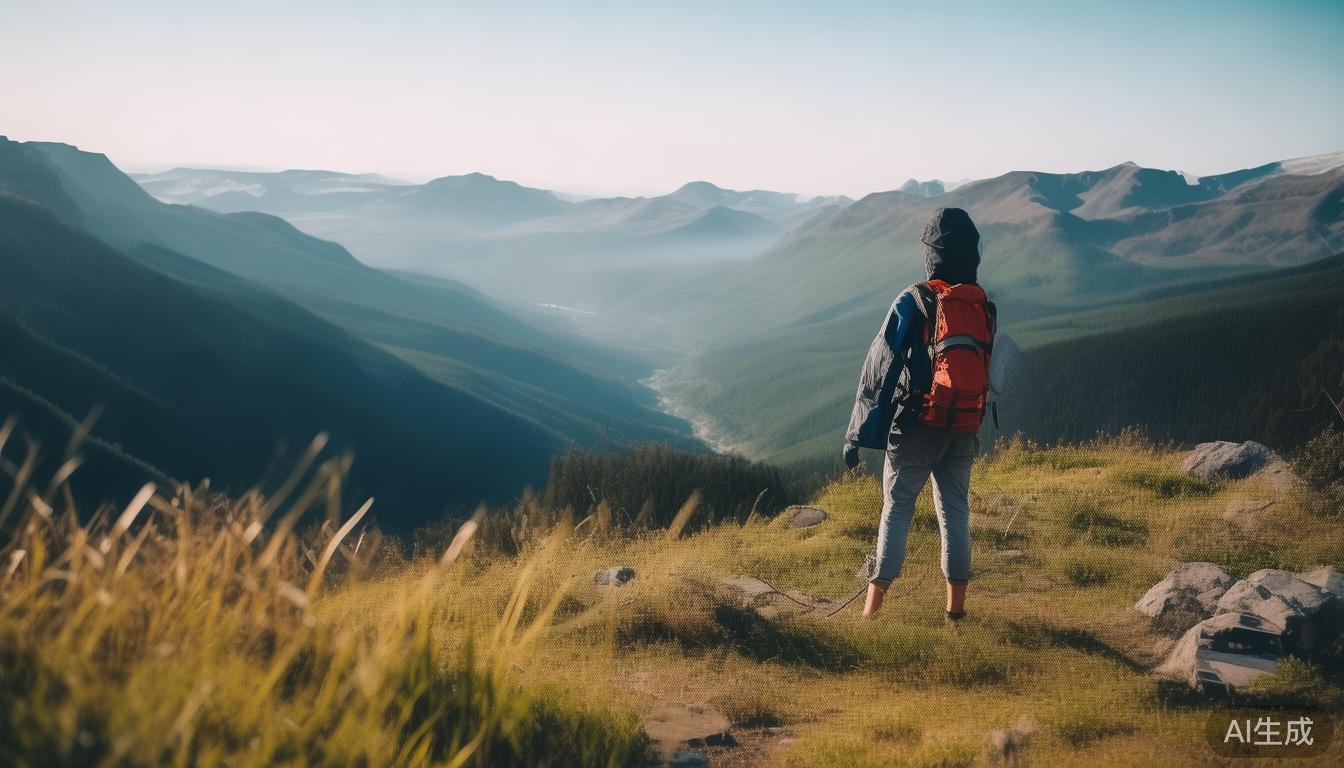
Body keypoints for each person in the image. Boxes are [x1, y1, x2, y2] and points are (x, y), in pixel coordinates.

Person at [842, 207, 995, 622]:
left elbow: (881, 368)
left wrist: (857, 434)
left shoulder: (915, 299)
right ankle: (956, 614)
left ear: (932, 253)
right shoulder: (982, 304)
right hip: (963, 427)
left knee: (897, 509)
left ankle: (870, 616)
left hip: (916, 426)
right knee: (955, 512)